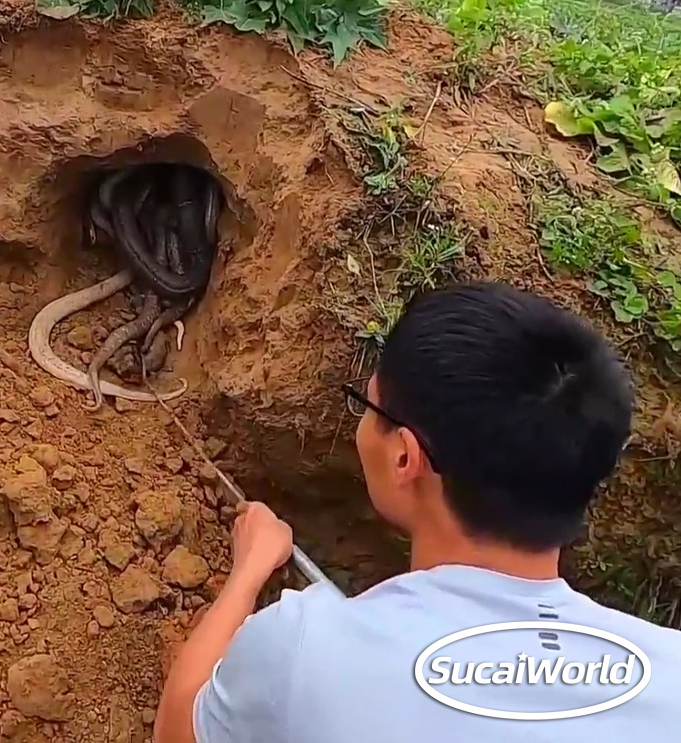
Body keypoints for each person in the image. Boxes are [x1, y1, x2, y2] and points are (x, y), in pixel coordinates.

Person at [154, 281, 681, 743]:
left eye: (368, 405)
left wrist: (248, 572)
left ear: (405, 456)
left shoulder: (305, 648)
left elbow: (178, 729)